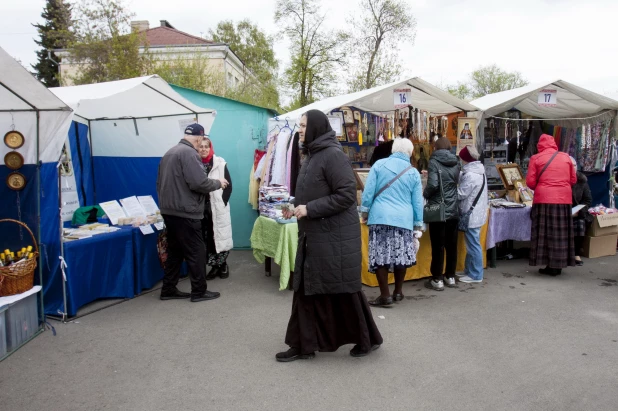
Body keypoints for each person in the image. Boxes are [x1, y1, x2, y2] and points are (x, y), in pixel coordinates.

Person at [276, 110, 383, 362]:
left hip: (333, 238)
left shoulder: (333, 156)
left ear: (315, 128)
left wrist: (310, 208)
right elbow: (312, 191)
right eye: (299, 125)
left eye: (303, 125)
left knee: (344, 292)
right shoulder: (312, 155)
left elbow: (346, 195)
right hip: (316, 235)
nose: (300, 129)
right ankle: (303, 345)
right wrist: (294, 205)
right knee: (307, 289)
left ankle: (367, 340)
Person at [156, 124, 229, 302]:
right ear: (198, 138)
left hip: (169, 211)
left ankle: (168, 289)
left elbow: (159, 183)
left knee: (176, 251)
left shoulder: (170, 152)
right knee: (197, 250)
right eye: (200, 142)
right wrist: (218, 183)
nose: (200, 146)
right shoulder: (189, 154)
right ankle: (199, 291)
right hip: (186, 212)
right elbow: (199, 183)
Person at [361, 138, 424, 307]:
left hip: (380, 217)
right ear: (410, 153)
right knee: (400, 255)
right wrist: (418, 223)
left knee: (381, 256)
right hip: (404, 220)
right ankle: (398, 291)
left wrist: (364, 211)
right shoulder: (413, 172)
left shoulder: (379, 165)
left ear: (393, 150)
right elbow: (417, 201)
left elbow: (368, 192)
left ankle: (385, 295)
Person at [526, 134, 577, 276]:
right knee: (560, 234)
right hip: (564, 199)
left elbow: (530, 182)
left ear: (539, 145)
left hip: (544, 199)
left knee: (545, 234)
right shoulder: (566, 157)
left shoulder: (536, 158)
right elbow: (573, 180)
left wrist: (543, 186)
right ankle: (558, 264)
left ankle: (549, 264)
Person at [423, 137, 460, 291]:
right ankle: (450, 276)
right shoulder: (456, 162)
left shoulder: (434, 161)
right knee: (452, 245)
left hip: (439, 208)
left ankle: (437, 278)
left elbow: (433, 184)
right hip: (453, 208)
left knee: (438, 245)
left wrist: (425, 193)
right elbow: (453, 181)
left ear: (435, 147)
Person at [197, 137, 233, 280]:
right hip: (201, 208)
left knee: (220, 236)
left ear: (210, 148)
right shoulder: (195, 165)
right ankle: (214, 267)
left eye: (206, 146)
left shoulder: (220, 164)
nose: (204, 149)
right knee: (208, 239)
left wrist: (222, 203)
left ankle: (223, 265)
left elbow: (228, 186)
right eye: (201, 147)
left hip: (217, 208)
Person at [456, 145, 488, 283]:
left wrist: (447, 192)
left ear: (465, 158)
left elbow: (461, 194)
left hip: (471, 215)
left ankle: (476, 275)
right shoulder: (479, 171)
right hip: (477, 213)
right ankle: (469, 271)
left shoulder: (471, 175)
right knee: (472, 244)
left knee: (473, 245)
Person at [570, 156, 592, 267]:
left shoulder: (582, 180)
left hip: (577, 213)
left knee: (580, 224)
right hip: (562, 210)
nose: (572, 168)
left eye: (573, 166)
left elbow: (587, 200)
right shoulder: (560, 179)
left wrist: (580, 210)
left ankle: (576, 253)